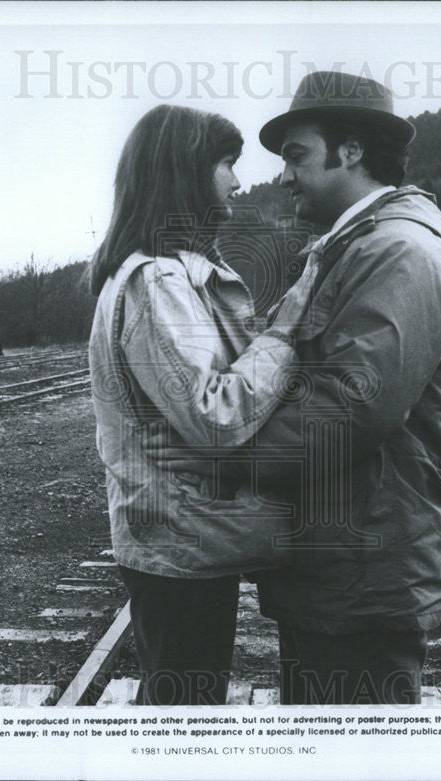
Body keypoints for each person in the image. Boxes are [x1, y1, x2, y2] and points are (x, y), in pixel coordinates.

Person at [210, 70, 441, 704]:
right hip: (339, 566)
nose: (283, 175)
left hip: (365, 570)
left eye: (296, 155)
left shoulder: (400, 255)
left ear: (351, 150)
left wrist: (219, 455)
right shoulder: (355, 248)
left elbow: (347, 411)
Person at [87, 104, 318, 706]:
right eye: (226, 164)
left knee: (186, 702)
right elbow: (216, 416)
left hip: (189, 536)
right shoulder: (156, 282)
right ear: (186, 173)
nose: (238, 182)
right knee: (183, 716)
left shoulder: (171, 277)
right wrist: (284, 333)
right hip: (178, 542)